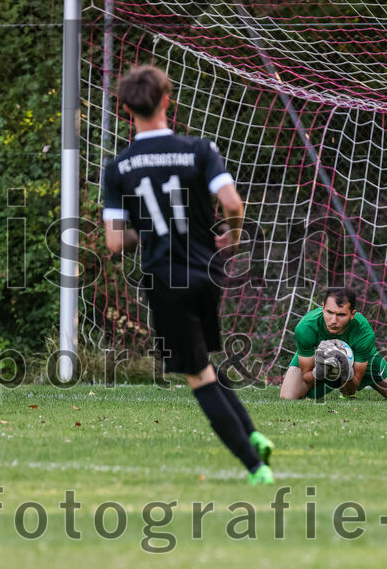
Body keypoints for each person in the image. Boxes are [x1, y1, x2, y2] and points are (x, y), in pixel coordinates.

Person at [102, 65, 274, 485]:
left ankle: (255, 467)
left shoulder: (118, 167)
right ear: (166, 100)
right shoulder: (200, 149)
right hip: (209, 273)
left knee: (196, 375)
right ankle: (252, 433)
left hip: (167, 279)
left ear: (126, 109)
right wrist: (232, 240)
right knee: (204, 363)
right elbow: (232, 203)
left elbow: (114, 243)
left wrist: (145, 230)